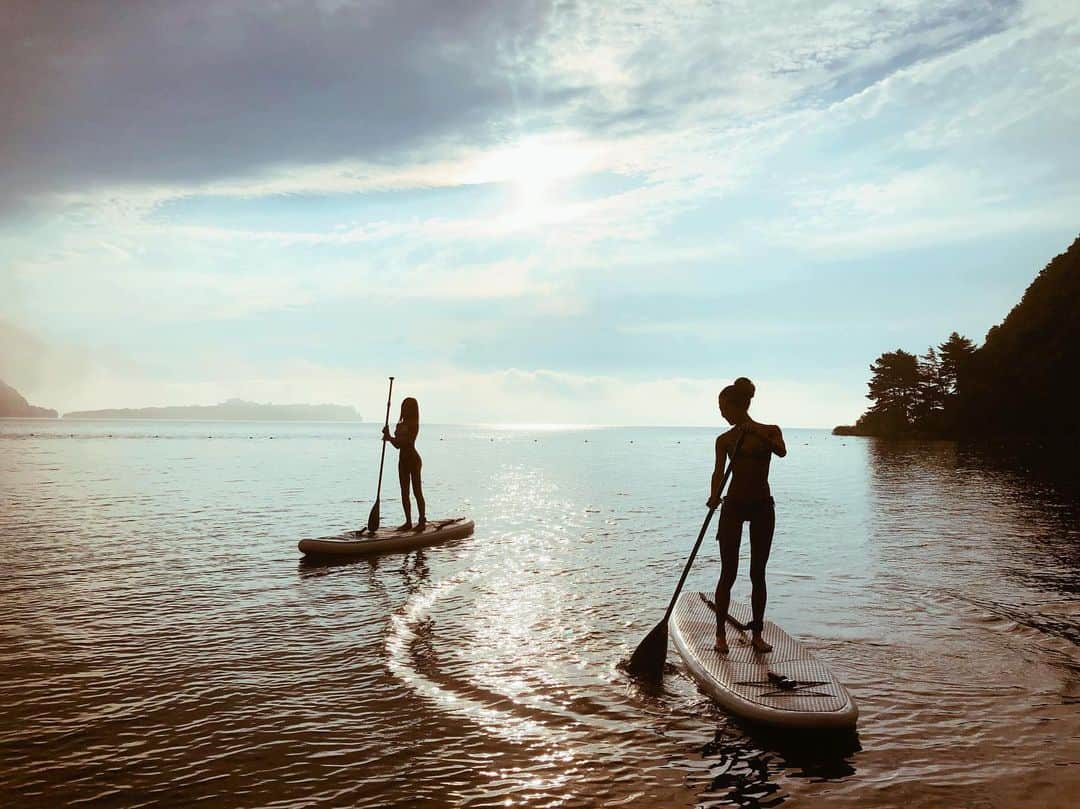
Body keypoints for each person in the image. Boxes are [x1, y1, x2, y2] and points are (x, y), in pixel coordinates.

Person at [706, 377, 786, 654]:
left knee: (757, 573)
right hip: (733, 507)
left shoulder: (770, 430)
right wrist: (714, 495)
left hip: (762, 506)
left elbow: (781, 451)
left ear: (738, 405)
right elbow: (718, 472)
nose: (721, 413)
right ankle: (719, 636)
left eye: (723, 407)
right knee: (727, 573)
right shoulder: (725, 440)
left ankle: (757, 634)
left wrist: (754, 431)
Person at [382, 396, 426, 530]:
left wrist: (390, 437)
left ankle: (422, 521)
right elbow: (397, 446)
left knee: (417, 491)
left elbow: (406, 442)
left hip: (413, 460)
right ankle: (408, 522)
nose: (404, 409)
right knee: (404, 492)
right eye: (403, 407)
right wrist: (389, 437)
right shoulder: (400, 425)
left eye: (406, 407)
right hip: (403, 461)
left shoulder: (414, 425)